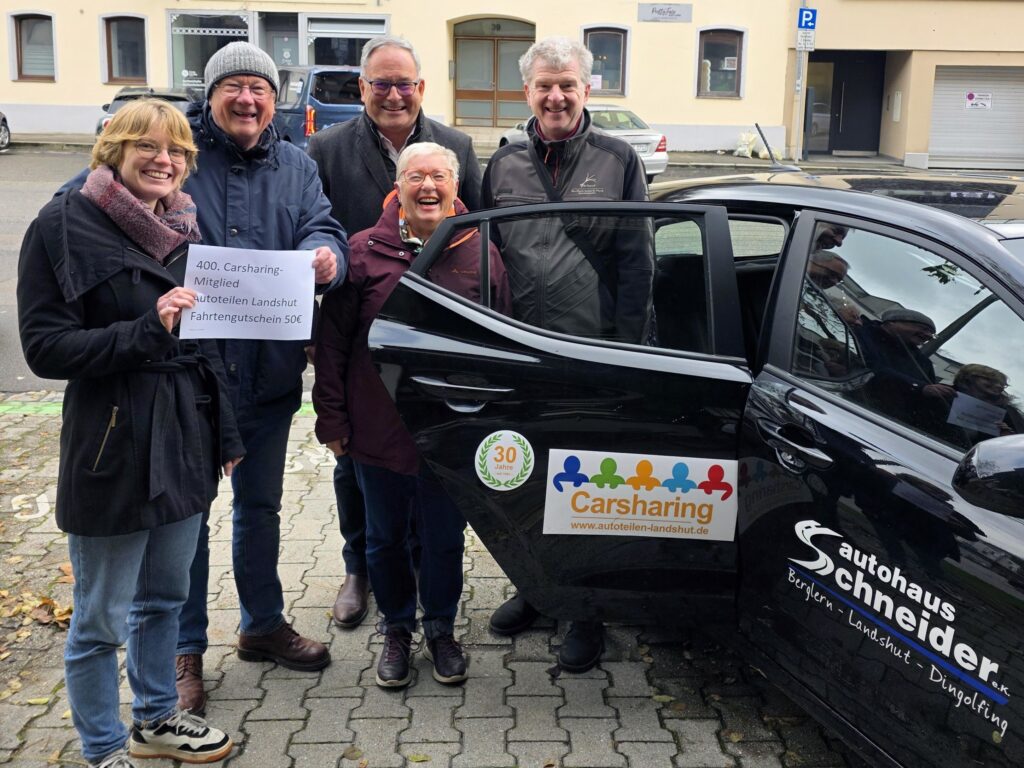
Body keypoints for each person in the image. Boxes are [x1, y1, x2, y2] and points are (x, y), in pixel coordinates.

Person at [17, 99, 242, 768]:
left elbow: (205, 349)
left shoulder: (184, 228)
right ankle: (103, 747)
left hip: (183, 439)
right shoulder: (63, 223)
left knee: (165, 596)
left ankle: (153, 720)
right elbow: (45, 347)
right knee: (99, 618)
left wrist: (226, 435)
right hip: (111, 442)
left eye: (176, 150)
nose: (163, 159)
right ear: (111, 148)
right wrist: (148, 329)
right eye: (146, 144)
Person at [172, 42, 347, 714]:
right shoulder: (176, 156)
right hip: (189, 376)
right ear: (213, 94)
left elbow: (321, 227)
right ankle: (183, 649)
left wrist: (324, 258)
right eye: (235, 87)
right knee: (188, 517)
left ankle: (262, 624)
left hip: (268, 373)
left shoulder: (297, 166)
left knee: (262, 508)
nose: (248, 100)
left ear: (276, 100)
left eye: (261, 89)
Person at [481, 35, 652, 672]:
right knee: (525, 481)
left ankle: (586, 610)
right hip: (522, 354)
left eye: (568, 84)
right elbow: (487, 262)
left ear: (587, 88)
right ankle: (536, 588)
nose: (556, 96)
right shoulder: (501, 165)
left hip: (592, 351)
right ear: (527, 92)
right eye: (544, 86)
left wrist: (628, 354)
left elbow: (638, 262)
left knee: (584, 484)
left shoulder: (616, 158)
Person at [312, 142, 511, 688]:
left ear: (454, 187)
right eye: (416, 176)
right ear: (397, 187)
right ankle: (397, 630)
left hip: (452, 431)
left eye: (439, 176)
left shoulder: (481, 248)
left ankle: (441, 630)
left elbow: (502, 342)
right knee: (384, 539)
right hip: (378, 430)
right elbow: (331, 346)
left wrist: (491, 421)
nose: (428, 186)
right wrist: (332, 422)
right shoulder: (362, 252)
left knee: (445, 538)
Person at [307, 34, 483, 629]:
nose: (393, 94)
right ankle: (359, 568)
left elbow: (476, 231)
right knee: (355, 465)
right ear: (362, 88)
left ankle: (418, 589)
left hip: (434, 359)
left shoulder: (456, 145)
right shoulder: (325, 149)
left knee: (431, 498)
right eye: (380, 83)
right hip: (357, 336)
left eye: (403, 82)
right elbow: (313, 231)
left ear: (421, 87)